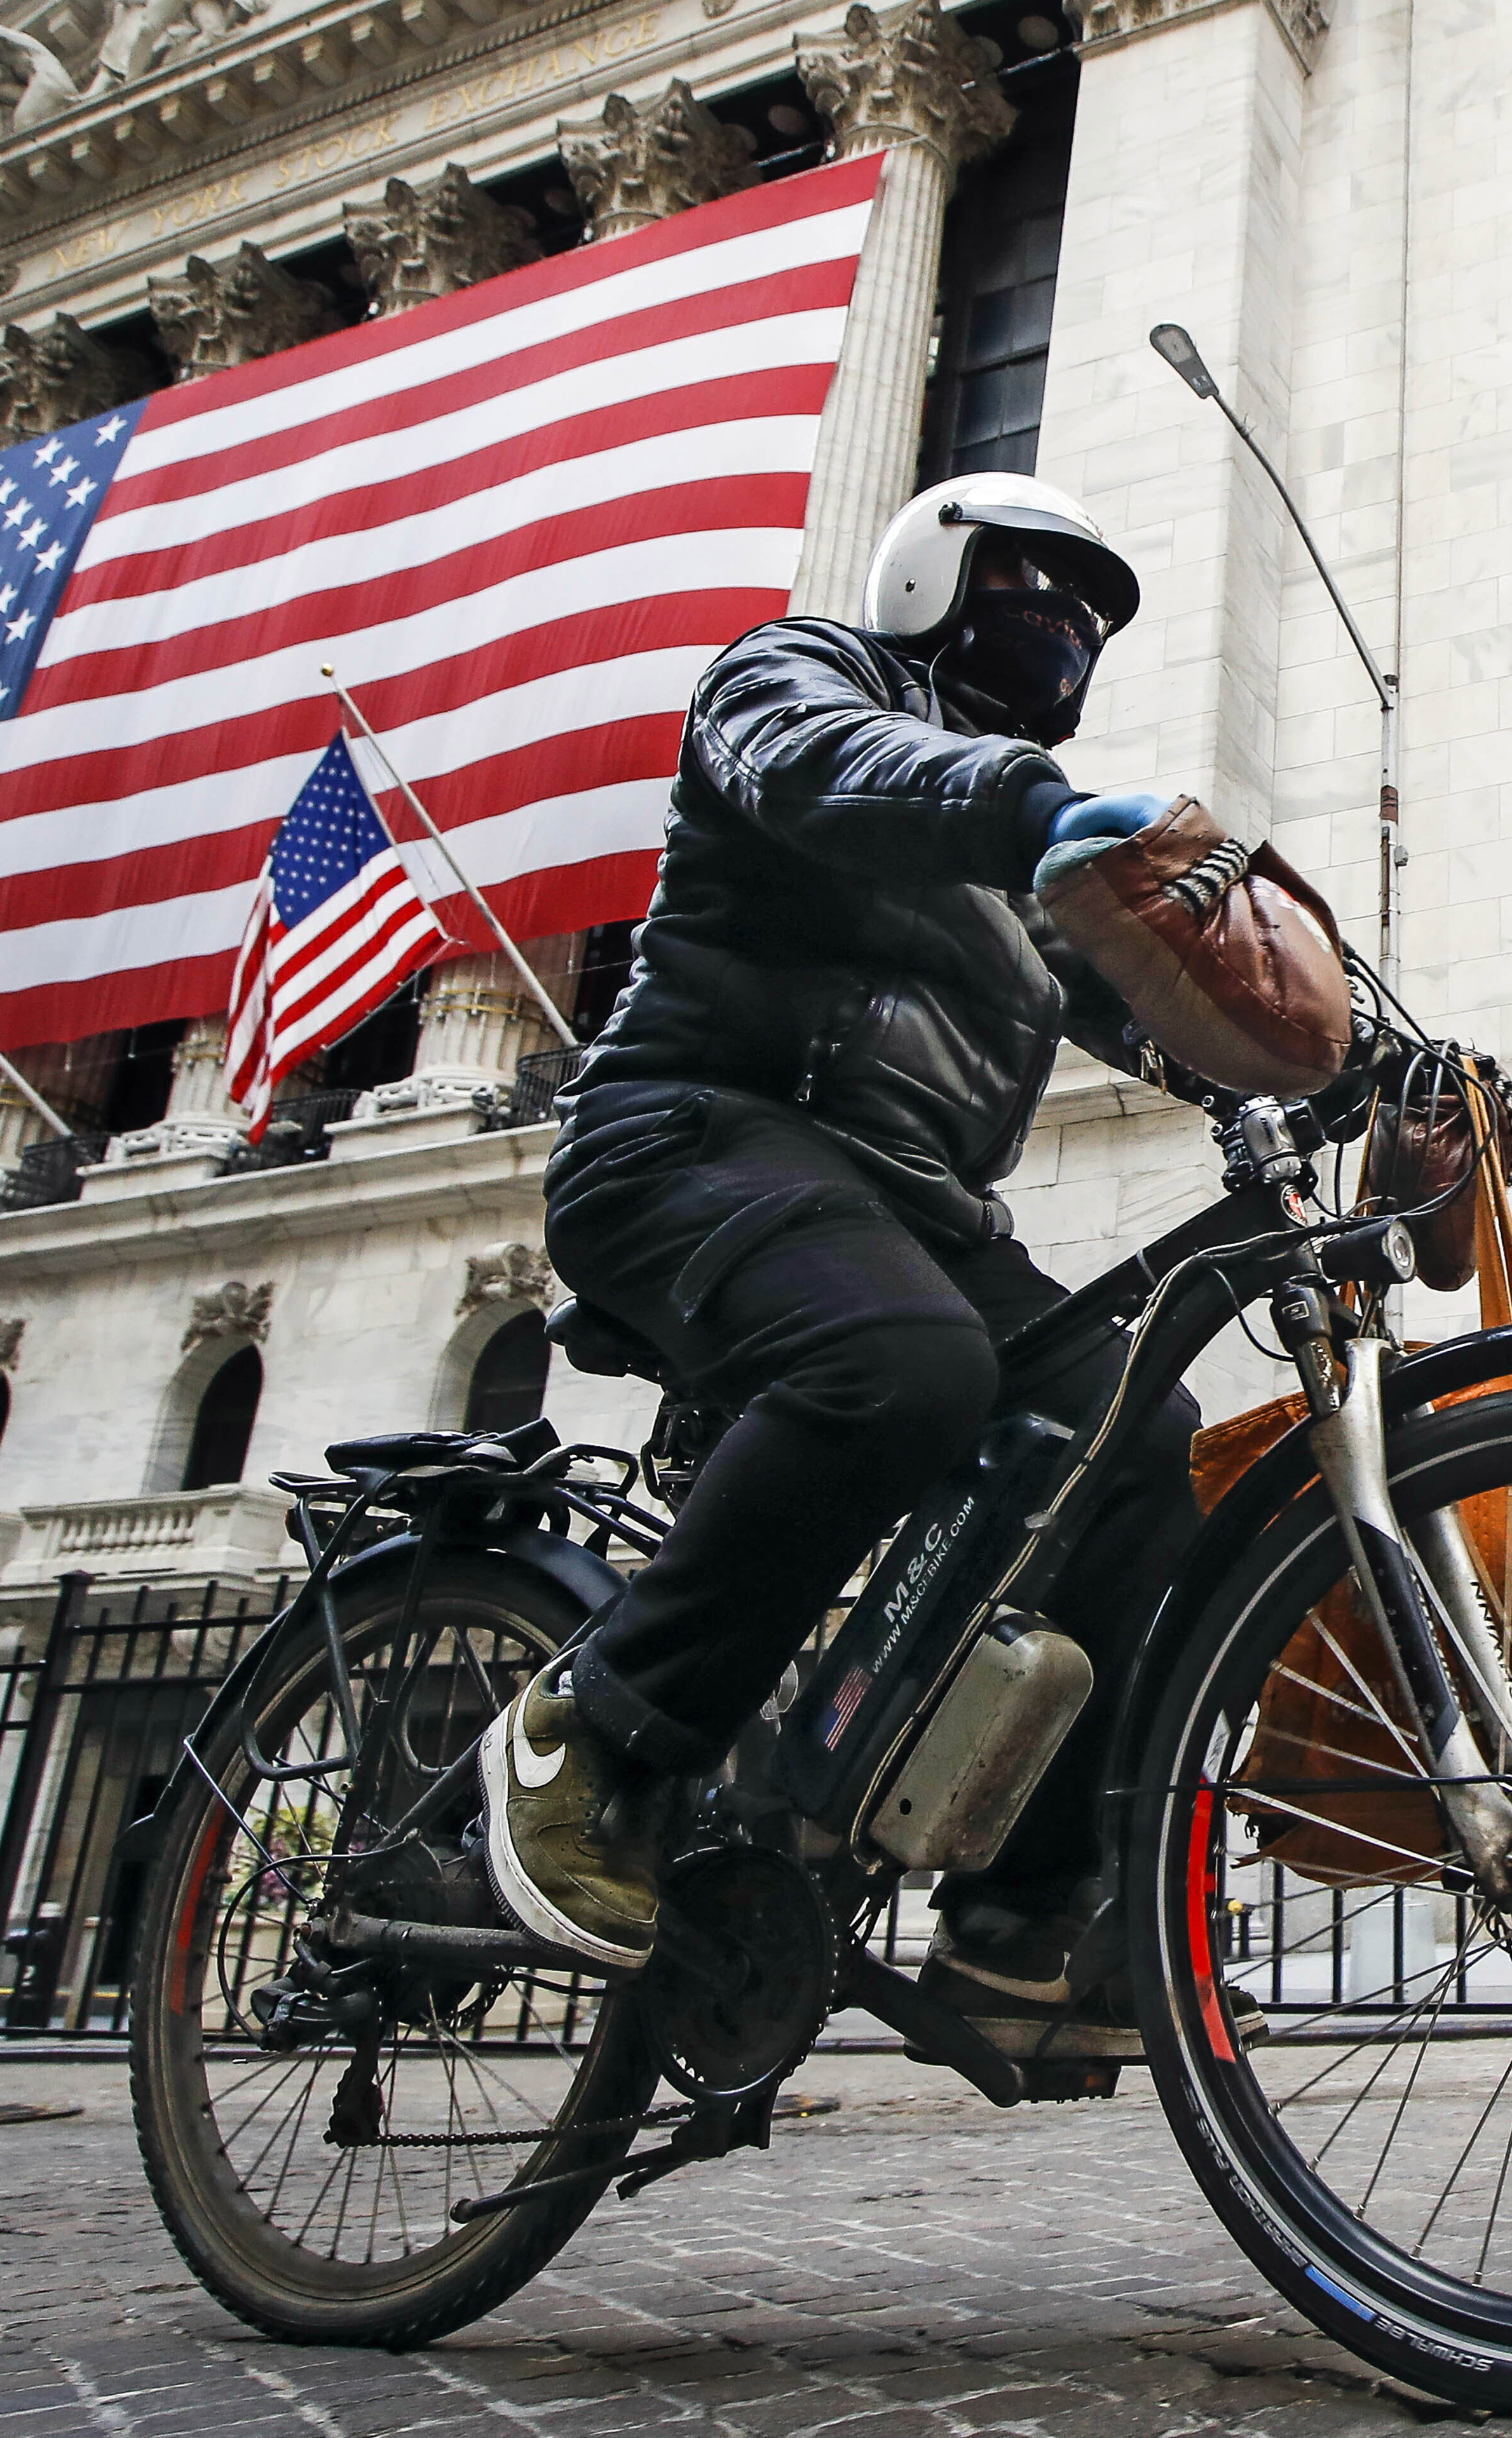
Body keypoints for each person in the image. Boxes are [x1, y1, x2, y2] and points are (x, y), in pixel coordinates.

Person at [474, 473, 1199, 2042]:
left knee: (1136, 1428)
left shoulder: (1020, 887)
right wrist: (1020, 801)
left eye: (1092, 616)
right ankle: (591, 1730)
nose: (1065, 628)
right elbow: (830, 770)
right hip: (695, 1132)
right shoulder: (790, 682)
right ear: (935, 579)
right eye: (1037, 588)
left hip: (902, 1206)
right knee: (903, 1368)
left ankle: (1021, 1907)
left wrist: (1360, 1061)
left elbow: (1169, 1000)